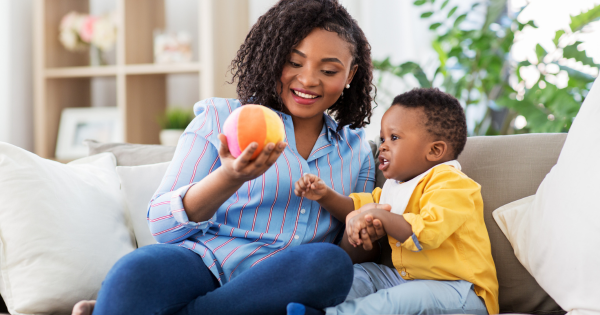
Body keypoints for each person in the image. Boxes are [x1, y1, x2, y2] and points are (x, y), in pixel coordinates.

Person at [71, 1, 377, 315]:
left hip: (281, 281)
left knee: (331, 265)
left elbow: (352, 250)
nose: (309, 80)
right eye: (293, 63)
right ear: (272, 58)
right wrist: (230, 177)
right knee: (135, 272)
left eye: (328, 70)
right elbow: (162, 225)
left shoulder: (356, 149)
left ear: (351, 73)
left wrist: (361, 230)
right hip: (202, 263)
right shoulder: (221, 118)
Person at [291, 88, 499, 315]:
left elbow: (426, 233)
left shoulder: (452, 183)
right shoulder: (395, 186)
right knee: (362, 274)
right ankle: (321, 305)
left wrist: (382, 216)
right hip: (404, 279)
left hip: (460, 291)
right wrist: (325, 195)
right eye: (382, 138)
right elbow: (360, 207)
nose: (382, 146)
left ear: (435, 150)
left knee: (399, 300)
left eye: (394, 137)